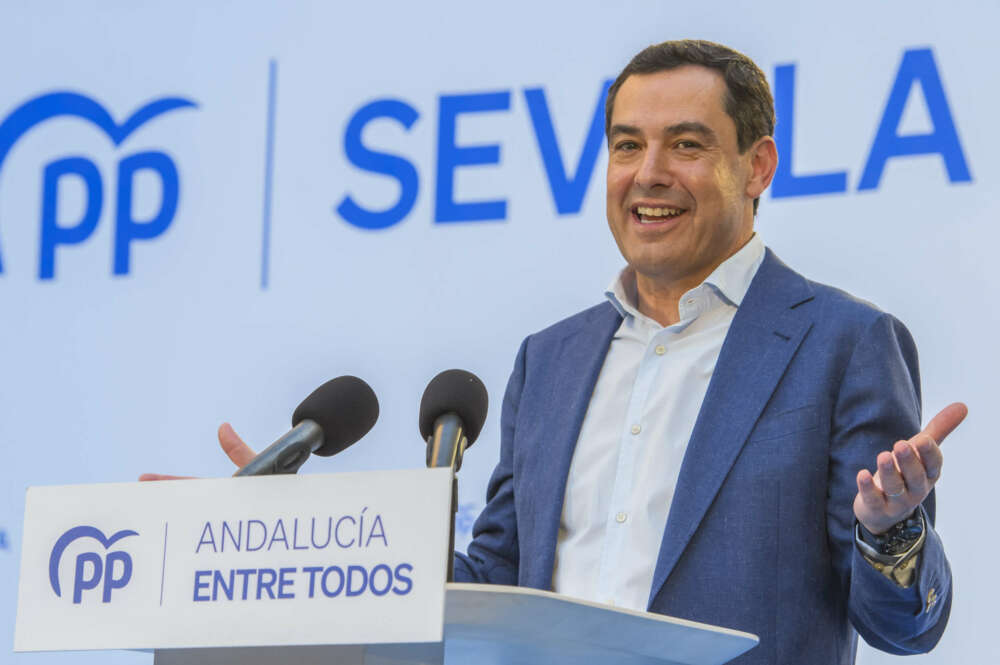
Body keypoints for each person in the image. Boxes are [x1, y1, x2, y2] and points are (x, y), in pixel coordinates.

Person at [145, 40, 965, 665]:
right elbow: (491, 583)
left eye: (685, 145)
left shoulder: (841, 341)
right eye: (625, 145)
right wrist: (291, 541)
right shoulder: (552, 359)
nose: (649, 174)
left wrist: (890, 536)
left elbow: (904, 626)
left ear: (757, 167)